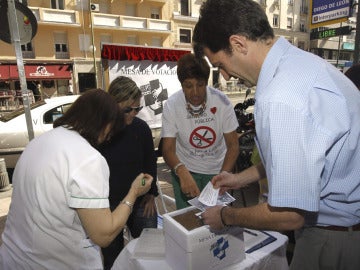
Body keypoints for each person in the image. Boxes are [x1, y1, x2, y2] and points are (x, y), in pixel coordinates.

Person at [192, 0, 360, 270]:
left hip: (333, 240)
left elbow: (289, 216)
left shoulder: (279, 98)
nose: (225, 75)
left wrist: (224, 215)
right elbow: (303, 158)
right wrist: (240, 178)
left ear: (238, 43)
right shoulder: (300, 64)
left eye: (220, 64)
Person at [0, 89, 153, 269]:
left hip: (14, 257)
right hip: (56, 263)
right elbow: (103, 234)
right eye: (111, 131)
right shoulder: (88, 158)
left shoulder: (38, 143)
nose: (108, 138)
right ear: (105, 124)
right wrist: (134, 193)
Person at [161, 53, 239, 209]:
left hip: (217, 170)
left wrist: (223, 177)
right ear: (181, 85)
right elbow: (168, 149)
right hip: (186, 171)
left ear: (206, 82)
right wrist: (181, 171)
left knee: (219, 222)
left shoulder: (222, 102)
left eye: (200, 84)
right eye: (188, 86)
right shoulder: (172, 105)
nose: (195, 92)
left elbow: (233, 146)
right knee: (190, 222)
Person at [100, 76, 158, 270]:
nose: (133, 113)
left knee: (149, 256)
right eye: (128, 109)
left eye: (138, 108)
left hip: (141, 201)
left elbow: (150, 162)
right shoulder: (100, 132)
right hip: (109, 205)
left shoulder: (141, 129)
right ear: (112, 104)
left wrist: (151, 194)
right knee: (114, 260)